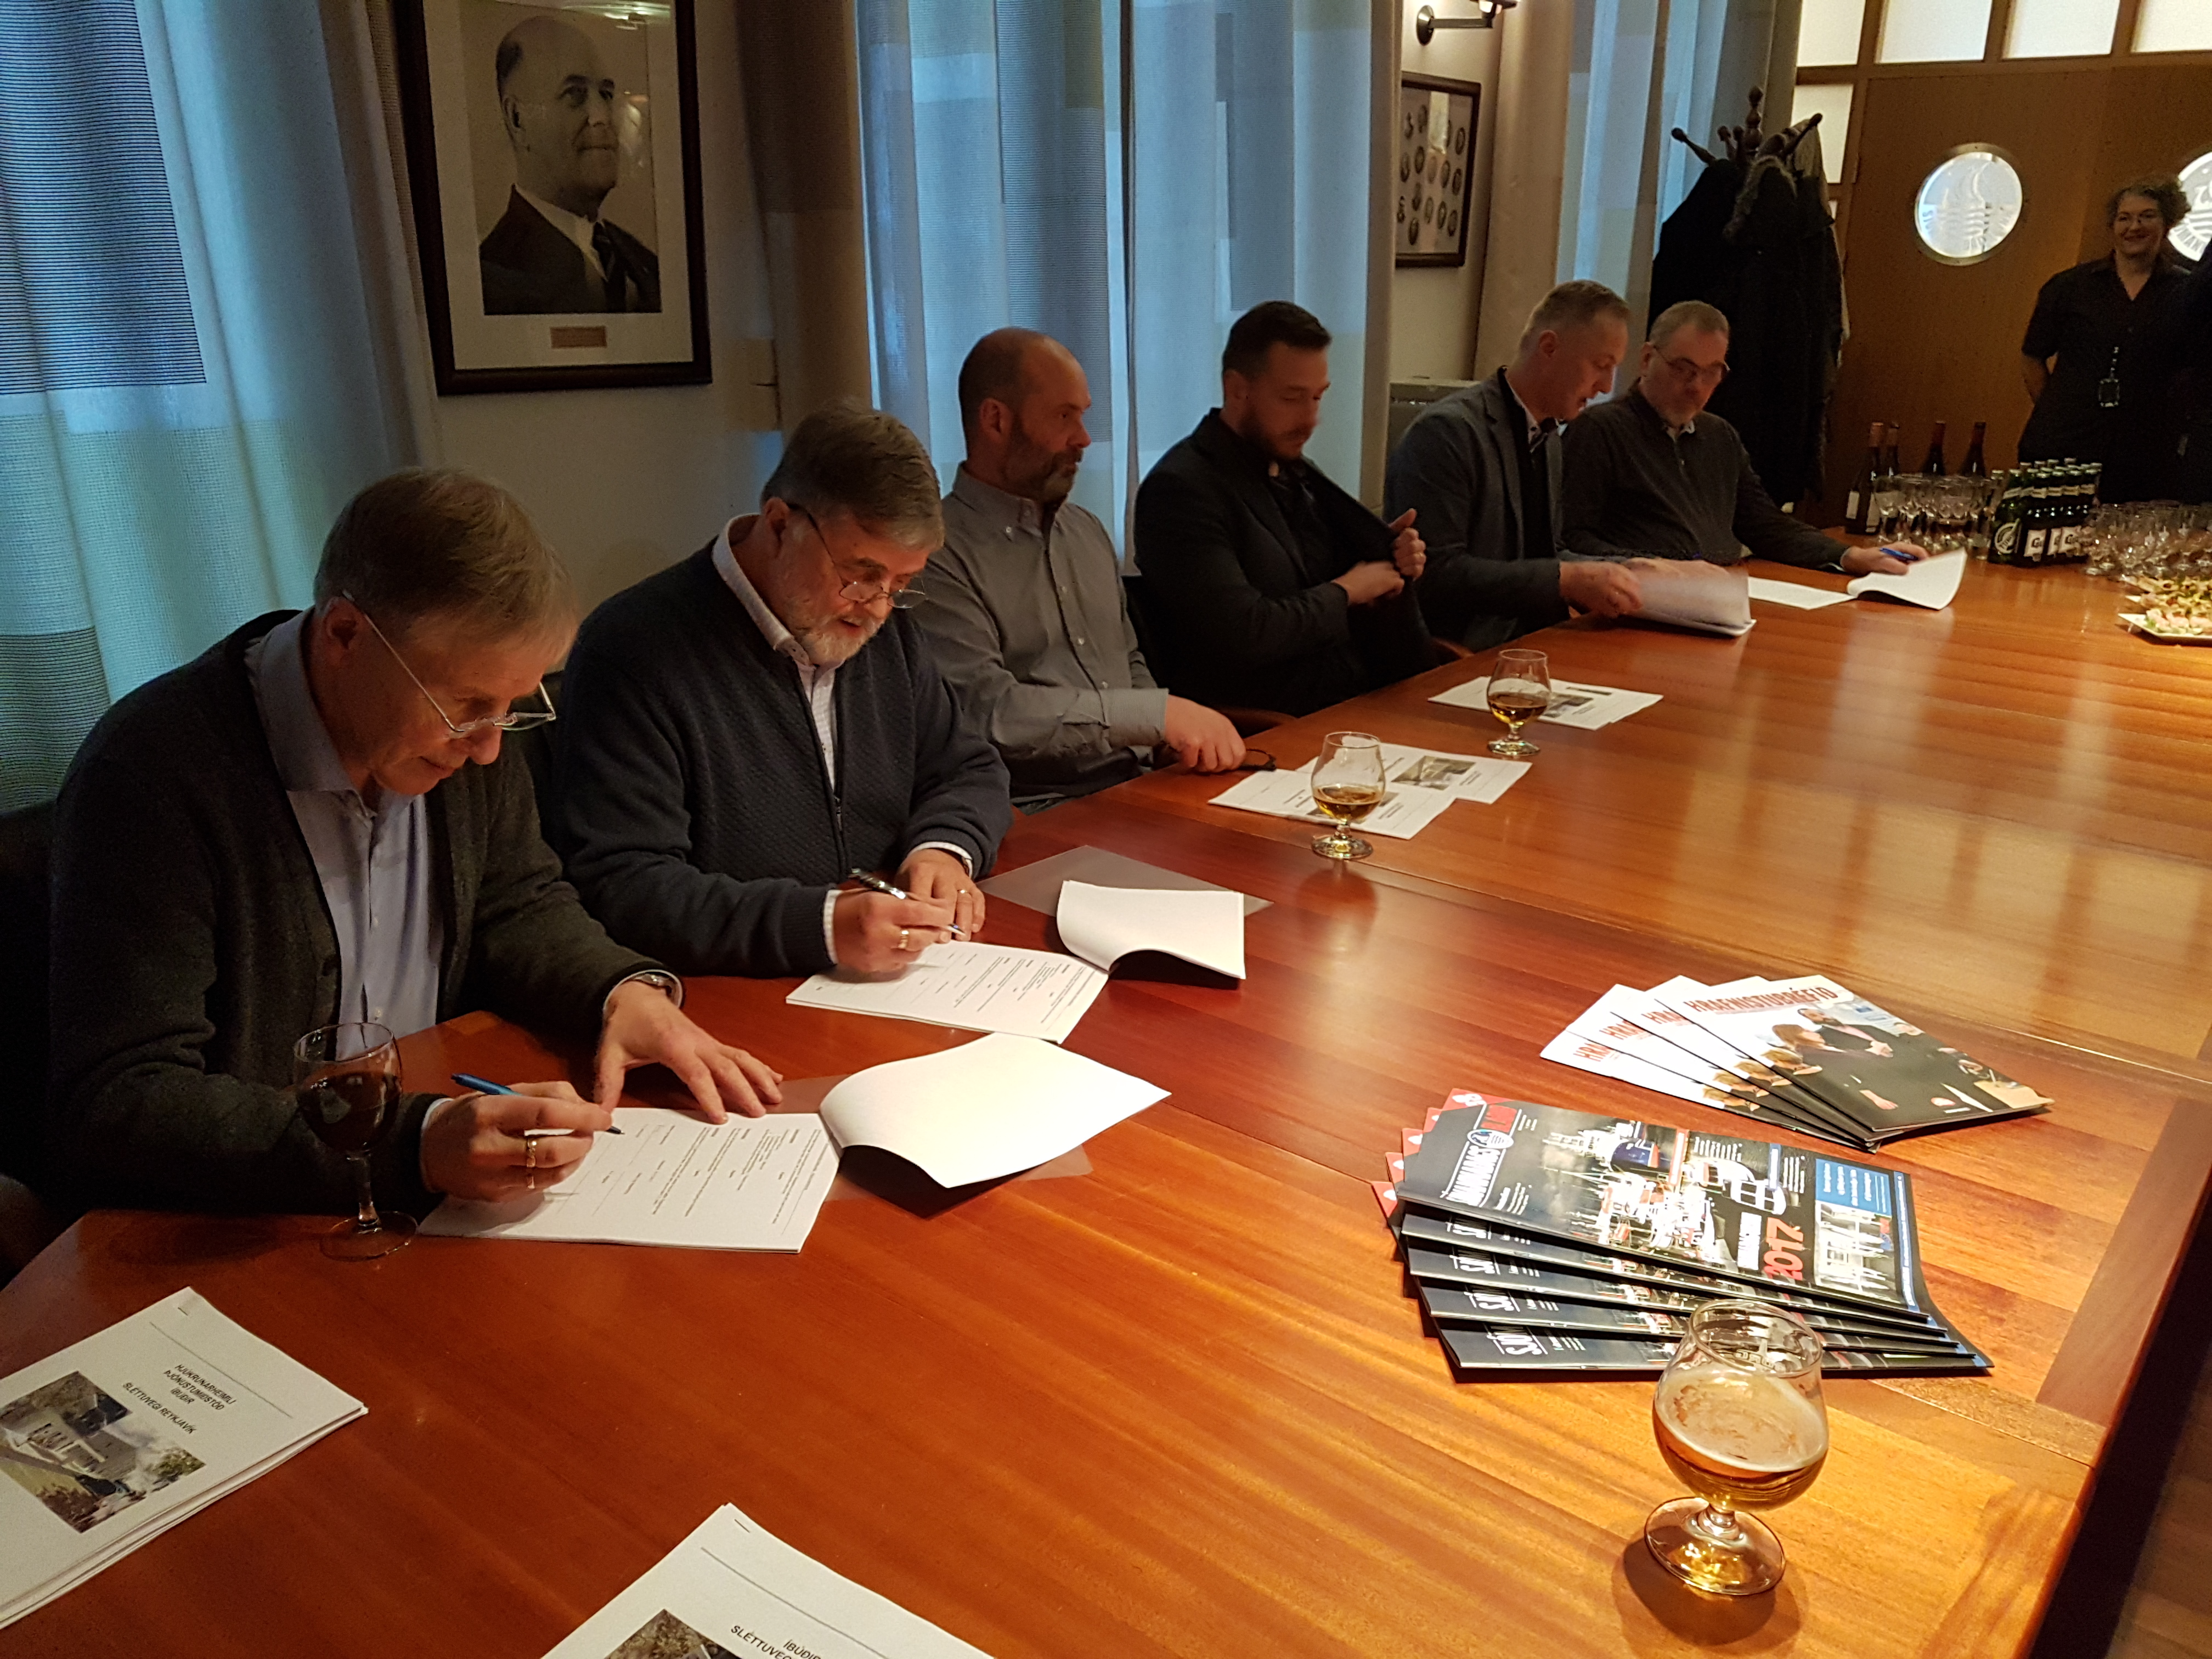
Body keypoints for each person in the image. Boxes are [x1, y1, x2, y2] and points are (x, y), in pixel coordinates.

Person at [46, 470, 780, 1217]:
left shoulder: (454, 742)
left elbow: (519, 903)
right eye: (467, 707)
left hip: (420, 1176)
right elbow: (125, 1094)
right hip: (237, 1219)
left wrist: (618, 994)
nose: (489, 749)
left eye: (511, 708)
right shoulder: (153, 776)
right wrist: (412, 1144)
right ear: (344, 634)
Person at [549, 402, 1011, 980]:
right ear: (777, 525)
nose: (878, 608)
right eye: (860, 575)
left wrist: (943, 847)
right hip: (729, 989)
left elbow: (968, 768)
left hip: (889, 971)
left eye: (902, 584)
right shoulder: (633, 651)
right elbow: (625, 885)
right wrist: (819, 926)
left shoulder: (887, 633)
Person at [920, 328, 1245, 809]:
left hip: (1141, 787)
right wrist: (1154, 715)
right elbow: (988, 710)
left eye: (1083, 415)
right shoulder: (935, 554)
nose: (1084, 438)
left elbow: (1127, 660)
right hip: (1038, 809)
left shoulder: (1086, 530)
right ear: (996, 420)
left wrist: (1164, 739)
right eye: (1063, 416)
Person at [1133, 301, 1435, 718]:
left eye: (1318, 397)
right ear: (1237, 389)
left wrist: (1391, 560)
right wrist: (1348, 591)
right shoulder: (1181, 491)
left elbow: (1342, 588)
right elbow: (1244, 635)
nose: (1311, 420)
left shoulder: (1295, 473)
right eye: (1292, 398)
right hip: (1267, 726)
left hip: (1357, 702)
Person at [1561, 302, 1918, 575]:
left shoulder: (1719, 436)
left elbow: (1765, 525)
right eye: (1683, 369)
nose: (1696, 387)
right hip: (1641, 601)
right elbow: (1571, 539)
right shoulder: (1600, 430)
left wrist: (1848, 555)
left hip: (1722, 595)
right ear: (1646, 359)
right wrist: (1651, 566)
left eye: (1712, 373)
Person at [1386, 280, 1649, 650]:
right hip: (1467, 651)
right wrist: (1566, 580)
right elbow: (1437, 575)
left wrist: (1630, 567)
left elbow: (1545, 554)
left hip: (1538, 640)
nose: (1606, 386)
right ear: (1549, 347)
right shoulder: (1446, 433)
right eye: (1601, 366)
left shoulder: (1549, 435)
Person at [2019, 174, 2194, 503]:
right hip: (2063, 446)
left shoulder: (2188, 292)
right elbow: (2032, 356)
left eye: (2147, 216)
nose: (2134, 227)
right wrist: (2055, 411)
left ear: (2168, 223)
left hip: (2146, 453)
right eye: (2124, 218)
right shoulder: (2069, 286)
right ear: (2112, 226)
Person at [479, 16, 661, 315]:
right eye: (575, 94)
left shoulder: (644, 264)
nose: (601, 117)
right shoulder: (493, 278)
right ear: (518, 119)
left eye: (606, 95)